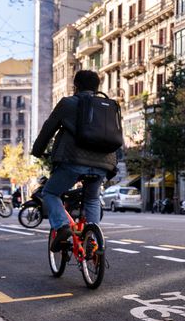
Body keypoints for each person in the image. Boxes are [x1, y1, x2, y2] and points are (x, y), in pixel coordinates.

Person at [31, 70, 121, 252]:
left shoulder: (68, 103)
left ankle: (62, 226)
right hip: (104, 163)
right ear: (97, 87)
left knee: (50, 193)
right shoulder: (110, 106)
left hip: (72, 160)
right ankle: (92, 236)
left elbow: (48, 129)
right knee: (93, 198)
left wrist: (37, 151)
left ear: (76, 86)